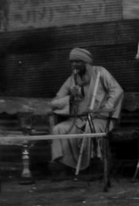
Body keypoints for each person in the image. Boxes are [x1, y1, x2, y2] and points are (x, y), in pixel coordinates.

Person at [50, 48, 124, 176]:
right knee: (59, 129)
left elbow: (117, 91)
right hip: (79, 119)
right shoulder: (72, 79)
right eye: (72, 62)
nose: (74, 65)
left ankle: (95, 165)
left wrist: (105, 109)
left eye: (78, 61)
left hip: (101, 118)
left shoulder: (100, 73)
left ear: (86, 62)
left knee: (91, 129)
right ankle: (65, 167)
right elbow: (55, 101)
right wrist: (70, 98)